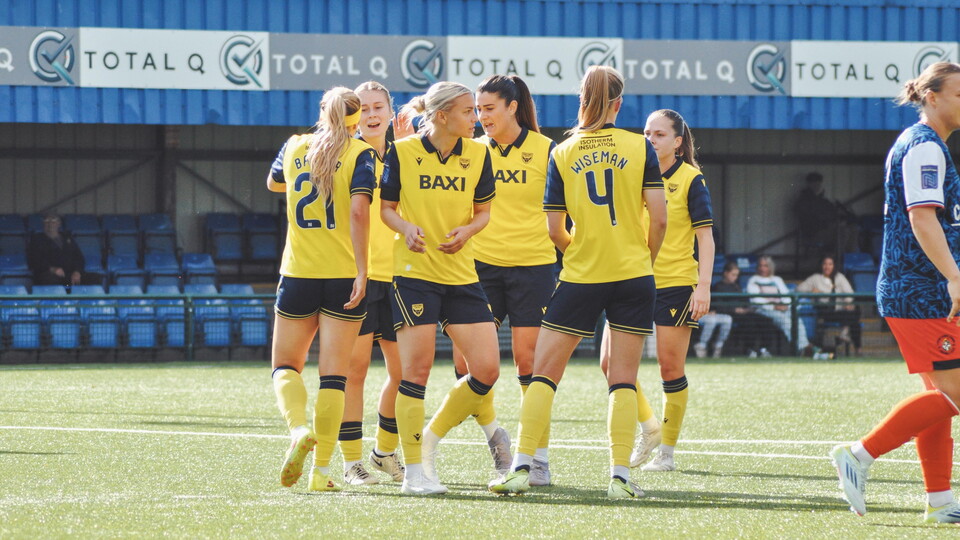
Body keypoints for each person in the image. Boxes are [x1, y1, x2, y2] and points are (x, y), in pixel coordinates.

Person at [489, 65, 667, 498]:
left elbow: (554, 229)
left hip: (582, 276)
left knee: (543, 376)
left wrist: (581, 251)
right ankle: (620, 478)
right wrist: (643, 257)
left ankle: (522, 468)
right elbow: (660, 217)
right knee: (623, 379)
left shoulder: (562, 151)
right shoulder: (640, 147)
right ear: (618, 103)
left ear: (581, 99)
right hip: (633, 275)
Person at [831, 61, 960, 524]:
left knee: (940, 397)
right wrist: (954, 277)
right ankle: (859, 455)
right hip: (921, 291)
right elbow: (923, 217)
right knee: (954, 393)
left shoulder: (926, 146)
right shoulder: (925, 147)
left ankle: (941, 500)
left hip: (919, 289)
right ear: (932, 96)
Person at [380, 81, 501, 495]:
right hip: (413, 273)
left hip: (461, 274)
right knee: (416, 372)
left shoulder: (480, 153)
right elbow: (385, 209)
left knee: (486, 369)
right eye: (470, 111)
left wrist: (467, 230)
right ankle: (414, 473)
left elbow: (483, 212)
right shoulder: (402, 151)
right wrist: (405, 227)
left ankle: (427, 440)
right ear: (443, 115)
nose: (477, 118)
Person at [444, 74, 557, 485]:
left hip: (534, 268)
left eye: (489, 108)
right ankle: (496, 434)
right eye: (477, 109)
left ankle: (536, 457)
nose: (481, 116)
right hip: (481, 269)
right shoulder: (471, 151)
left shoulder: (548, 150)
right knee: (466, 364)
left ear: (512, 107)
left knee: (530, 363)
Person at [267, 87, 374, 492]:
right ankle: (321, 473)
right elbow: (360, 211)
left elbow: (274, 183)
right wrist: (363, 270)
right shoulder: (361, 153)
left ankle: (298, 429)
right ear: (357, 117)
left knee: (286, 366)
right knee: (335, 378)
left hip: (298, 273)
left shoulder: (295, 146)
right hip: (343, 274)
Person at [604, 108, 715, 474]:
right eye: (647, 133)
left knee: (670, 368)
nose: (650, 140)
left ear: (678, 143)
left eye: (660, 135)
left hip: (675, 285)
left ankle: (666, 452)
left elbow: (706, 237)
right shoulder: (632, 173)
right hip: (631, 279)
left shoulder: (690, 180)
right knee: (609, 364)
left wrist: (703, 287)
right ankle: (649, 426)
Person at [334, 81, 406, 486]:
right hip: (359, 276)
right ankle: (351, 461)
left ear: (390, 112)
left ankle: (383, 451)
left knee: (404, 372)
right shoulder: (346, 155)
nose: (372, 114)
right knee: (355, 372)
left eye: (379, 106)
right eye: (364, 108)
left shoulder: (404, 156)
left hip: (397, 278)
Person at [745, 255, 812, 354]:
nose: (762, 268)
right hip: (764, 310)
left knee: (797, 320)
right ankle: (799, 348)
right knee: (785, 321)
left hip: (782, 308)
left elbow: (785, 295)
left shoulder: (777, 280)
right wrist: (773, 306)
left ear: (770, 267)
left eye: (765, 266)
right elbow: (755, 299)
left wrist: (785, 305)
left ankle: (805, 347)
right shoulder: (753, 280)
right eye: (760, 266)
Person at [796, 255, 862, 355]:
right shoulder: (815, 278)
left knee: (855, 312)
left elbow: (850, 293)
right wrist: (811, 290)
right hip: (825, 311)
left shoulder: (839, 277)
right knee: (853, 320)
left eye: (830, 264)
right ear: (821, 266)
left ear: (834, 266)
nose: (827, 267)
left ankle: (851, 341)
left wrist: (848, 303)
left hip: (840, 310)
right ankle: (852, 343)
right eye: (825, 264)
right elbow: (799, 289)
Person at [794, 172, 859, 257]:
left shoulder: (824, 201)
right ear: (809, 184)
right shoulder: (803, 200)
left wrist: (844, 215)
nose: (817, 186)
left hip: (829, 231)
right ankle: (837, 259)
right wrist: (833, 223)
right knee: (843, 231)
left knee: (853, 228)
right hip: (814, 234)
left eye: (818, 183)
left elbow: (834, 213)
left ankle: (850, 259)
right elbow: (812, 218)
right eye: (814, 183)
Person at [695, 261, 739, 358]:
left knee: (727, 319)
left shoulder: (707, 284)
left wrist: (711, 310)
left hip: (708, 314)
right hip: (694, 314)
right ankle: (701, 345)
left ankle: (718, 345)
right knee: (711, 320)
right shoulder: (717, 286)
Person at [28, 213, 85, 286]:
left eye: (53, 221)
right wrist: (52, 269)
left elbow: (79, 258)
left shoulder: (67, 238)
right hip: (49, 274)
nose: (50, 224)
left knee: (94, 278)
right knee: (49, 280)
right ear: (43, 224)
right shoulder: (37, 239)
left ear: (59, 223)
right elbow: (34, 260)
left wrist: (77, 272)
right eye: (47, 221)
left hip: (69, 274)